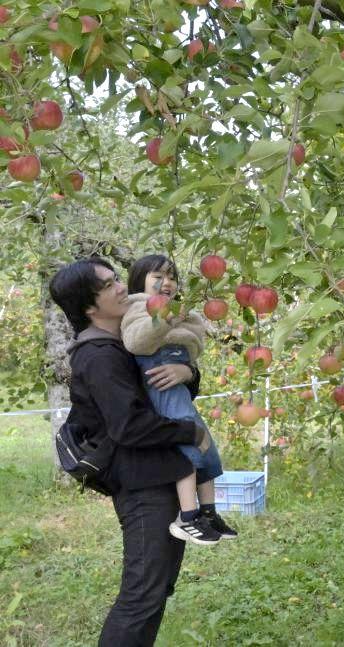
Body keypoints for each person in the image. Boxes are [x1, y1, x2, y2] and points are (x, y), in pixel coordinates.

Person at [49, 257, 210, 646]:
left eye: (117, 279)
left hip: (163, 475)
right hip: (142, 488)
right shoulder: (99, 356)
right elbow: (130, 426)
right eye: (108, 286)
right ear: (89, 307)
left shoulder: (128, 340)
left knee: (157, 590)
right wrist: (191, 433)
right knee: (142, 595)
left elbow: (167, 387)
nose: (121, 287)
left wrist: (188, 374)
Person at [121, 254, 237, 545]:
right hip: (159, 385)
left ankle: (208, 513)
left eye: (172, 277)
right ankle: (187, 517)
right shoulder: (136, 308)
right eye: (157, 276)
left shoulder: (184, 311)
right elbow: (137, 341)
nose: (167, 282)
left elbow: (195, 344)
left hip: (180, 388)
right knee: (188, 443)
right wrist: (167, 319)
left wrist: (187, 369)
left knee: (207, 447)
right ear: (139, 282)